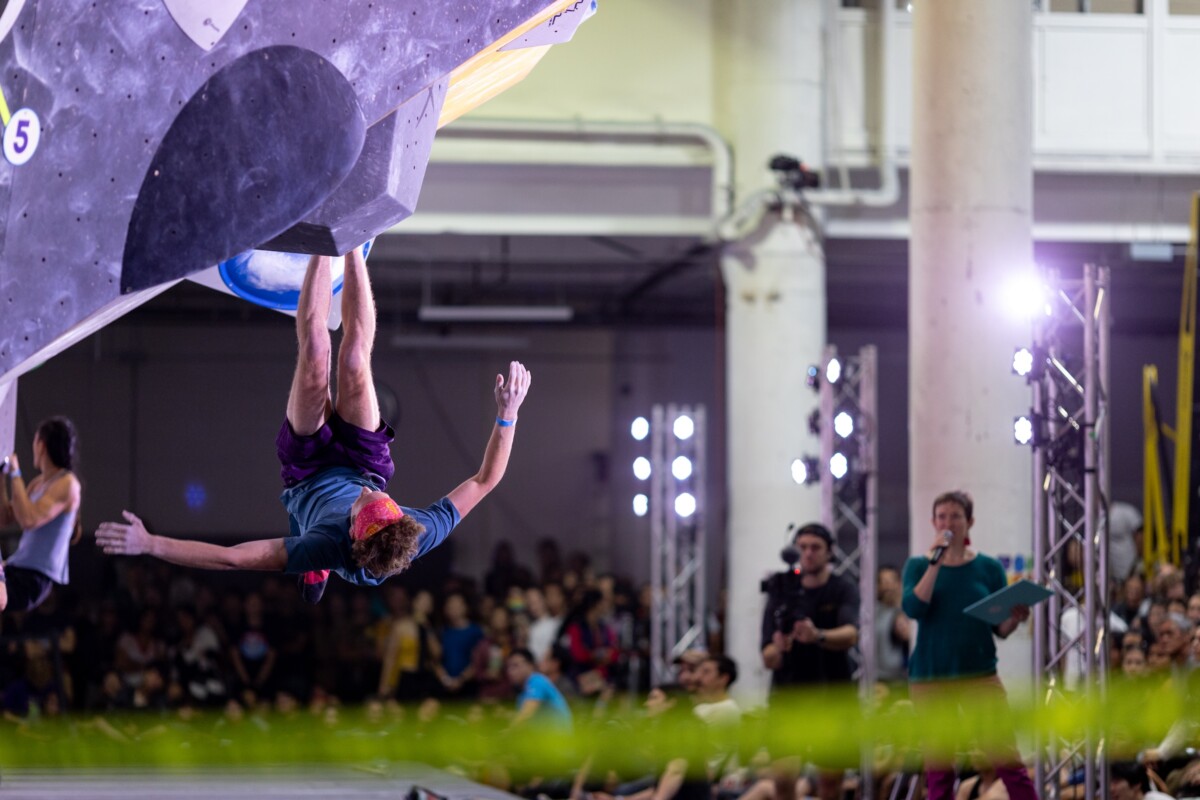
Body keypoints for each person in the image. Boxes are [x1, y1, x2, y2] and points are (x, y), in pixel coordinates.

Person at [95, 249, 532, 600]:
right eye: (379, 498)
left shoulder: (325, 542)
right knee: (356, 360)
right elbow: (485, 480)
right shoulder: (417, 530)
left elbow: (232, 559)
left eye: (361, 504)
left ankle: (321, 243)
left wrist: (150, 544)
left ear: (352, 531)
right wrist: (507, 413)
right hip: (363, 459)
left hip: (307, 477)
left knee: (315, 360)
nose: (366, 493)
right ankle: (353, 242)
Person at [901, 490, 1038, 800]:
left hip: (979, 674)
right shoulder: (918, 565)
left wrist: (1015, 618)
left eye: (956, 516)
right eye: (942, 517)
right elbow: (913, 608)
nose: (948, 522)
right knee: (939, 768)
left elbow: (999, 628)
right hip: (932, 677)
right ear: (933, 522)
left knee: (1007, 758)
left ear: (970, 522)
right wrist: (935, 562)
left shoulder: (988, 568)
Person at [759, 522, 859, 800]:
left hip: (831, 692)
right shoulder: (780, 590)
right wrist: (779, 648)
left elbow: (851, 634)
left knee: (829, 783)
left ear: (830, 552)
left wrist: (819, 636)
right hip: (788, 693)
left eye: (815, 547)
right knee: (783, 777)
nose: (808, 553)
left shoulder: (842, 588)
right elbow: (767, 656)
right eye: (802, 547)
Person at [0, 416, 83, 614]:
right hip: (15, 567)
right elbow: (5, 518)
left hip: (34, 578)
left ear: (41, 445)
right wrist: (1, 476)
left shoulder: (68, 484)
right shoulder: (38, 483)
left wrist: (15, 472)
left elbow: (29, 519)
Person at [505, 647, 573, 731]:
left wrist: (505, 734)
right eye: (508, 667)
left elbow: (526, 715)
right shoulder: (522, 694)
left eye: (516, 665)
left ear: (530, 665)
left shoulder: (537, 680)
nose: (511, 671)